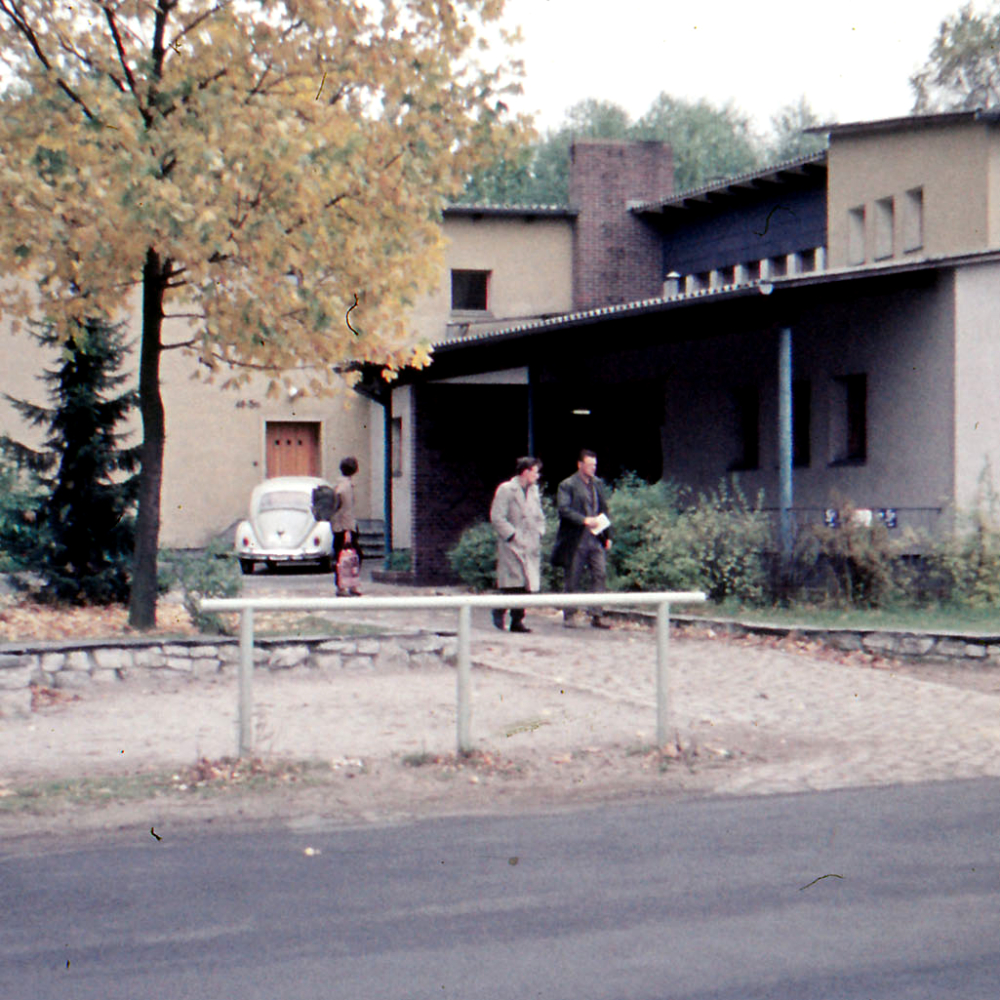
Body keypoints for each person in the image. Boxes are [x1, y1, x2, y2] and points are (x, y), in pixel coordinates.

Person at [551, 449, 613, 628]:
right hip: (576, 538)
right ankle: (569, 614)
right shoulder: (567, 485)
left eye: (595, 465)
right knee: (573, 576)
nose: (593, 468)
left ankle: (597, 614)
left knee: (600, 574)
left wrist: (607, 535)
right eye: (589, 465)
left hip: (596, 538)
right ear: (580, 465)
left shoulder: (598, 484)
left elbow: (604, 510)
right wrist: (584, 520)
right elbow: (564, 509)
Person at [489, 457, 546, 633]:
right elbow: (497, 516)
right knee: (513, 584)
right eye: (535, 472)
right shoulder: (506, 489)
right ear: (526, 471)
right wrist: (511, 534)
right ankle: (499, 609)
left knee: (526, 585)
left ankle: (517, 620)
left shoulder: (534, 491)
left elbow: (538, 514)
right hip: (512, 544)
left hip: (529, 543)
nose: (537, 476)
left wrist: (540, 530)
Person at [331, 455, 362, 596]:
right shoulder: (347, 487)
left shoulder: (337, 485)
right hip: (345, 527)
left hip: (337, 527)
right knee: (354, 557)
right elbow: (347, 510)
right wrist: (348, 531)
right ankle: (346, 586)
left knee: (341, 557)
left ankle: (344, 586)